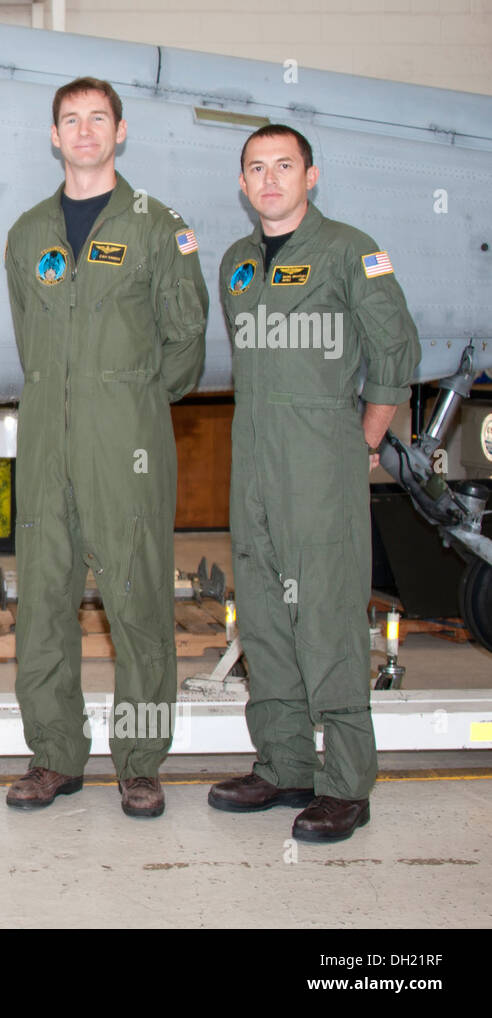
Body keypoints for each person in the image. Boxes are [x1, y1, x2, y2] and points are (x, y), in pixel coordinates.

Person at [208, 125, 419, 842]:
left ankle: (346, 784)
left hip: (320, 461)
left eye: (284, 166)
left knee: (325, 615)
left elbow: (395, 351)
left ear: (312, 175)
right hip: (255, 461)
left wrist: (359, 440)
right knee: (263, 612)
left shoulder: (350, 251)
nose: (270, 180)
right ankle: (284, 764)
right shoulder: (237, 262)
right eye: (256, 169)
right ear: (242, 184)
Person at [4, 77, 208, 818]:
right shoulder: (28, 233)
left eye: (98, 119)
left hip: (128, 446)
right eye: (70, 120)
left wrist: (129, 400)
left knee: (139, 603)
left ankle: (141, 763)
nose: (84, 131)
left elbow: (186, 341)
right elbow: (30, 334)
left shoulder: (159, 226)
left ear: (121, 132)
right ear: (54, 136)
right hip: (46, 445)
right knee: (44, 603)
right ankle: (55, 755)